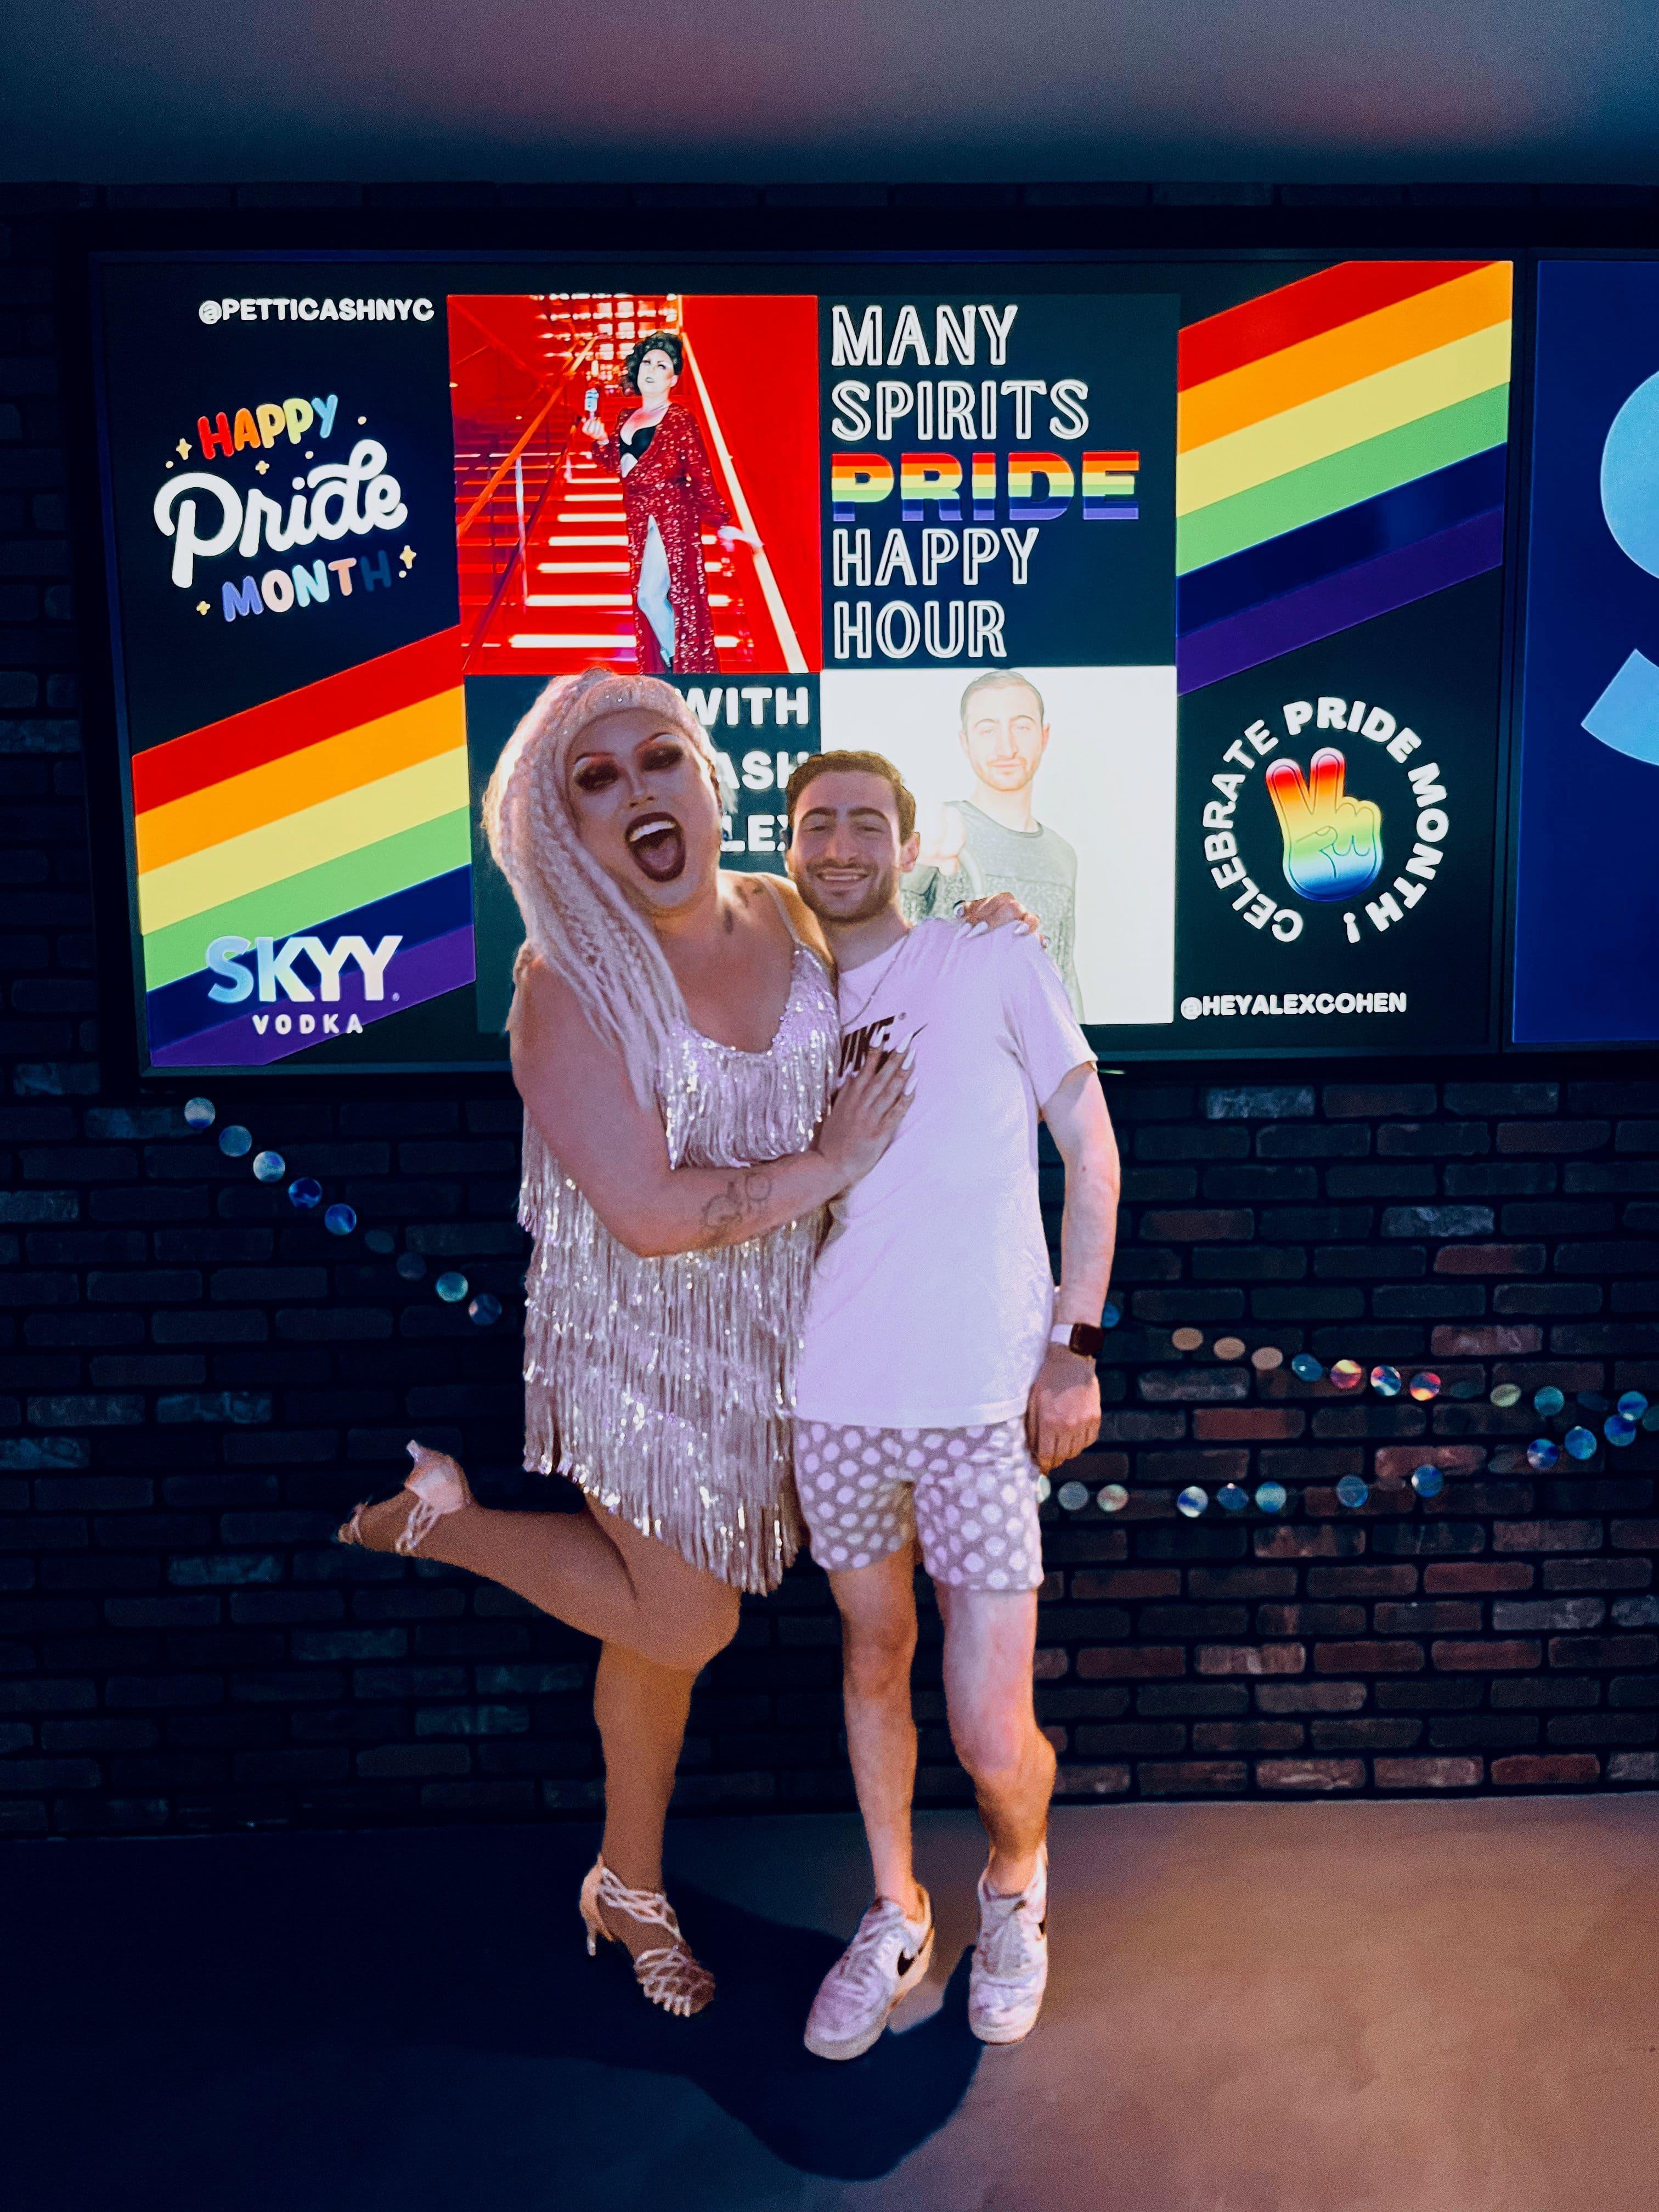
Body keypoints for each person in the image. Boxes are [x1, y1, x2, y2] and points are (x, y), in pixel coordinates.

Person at [336, 672, 1024, 2023]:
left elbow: (899, 978)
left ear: (708, 781)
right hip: (634, 1348)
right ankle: (441, 1523)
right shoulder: (564, 988)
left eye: (658, 758)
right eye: (595, 781)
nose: (638, 789)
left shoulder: (780, 910)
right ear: (559, 830)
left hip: (786, 1336)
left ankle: (628, 1884)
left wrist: (977, 935)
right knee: (687, 1613)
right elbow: (649, 1219)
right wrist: (829, 1161)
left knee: (652, 1649)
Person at [783, 747, 1120, 2059]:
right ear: (795, 845)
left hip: (984, 1406)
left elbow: (1091, 1155)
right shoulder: (776, 995)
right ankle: (894, 1910)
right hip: (834, 1405)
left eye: (870, 822)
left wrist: (1072, 1349)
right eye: (822, 824)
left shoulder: (990, 959)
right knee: (872, 1661)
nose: (846, 842)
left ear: (912, 847)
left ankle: (1015, 1888)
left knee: (990, 1734)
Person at [902, 670, 1085, 1016]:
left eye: (1022, 726)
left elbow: (1065, 976)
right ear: (964, 742)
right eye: (988, 730)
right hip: (946, 1056)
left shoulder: (1063, 856)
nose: (1007, 747)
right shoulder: (933, 831)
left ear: (1044, 737)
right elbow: (893, 943)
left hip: (1037, 1060)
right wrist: (912, 853)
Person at [580, 331, 761, 675]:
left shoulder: (679, 419)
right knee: (647, 598)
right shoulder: (624, 419)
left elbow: (700, 472)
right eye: (647, 362)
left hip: (672, 514)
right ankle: (673, 665)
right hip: (637, 516)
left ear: (673, 379)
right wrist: (602, 438)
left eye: (661, 365)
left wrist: (722, 521)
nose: (651, 369)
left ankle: (681, 666)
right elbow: (616, 467)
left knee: (651, 596)